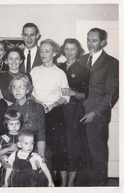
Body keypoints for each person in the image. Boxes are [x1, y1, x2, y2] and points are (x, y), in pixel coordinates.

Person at [78, 28, 119, 186]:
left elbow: (112, 93)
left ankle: (99, 187)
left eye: (94, 40)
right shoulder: (81, 60)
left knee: (97, 154)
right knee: (82, 153)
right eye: (88, 39)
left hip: (97, 117)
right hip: (80, 114)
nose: (90, 43)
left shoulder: (112, 62)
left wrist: (95, 112)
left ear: (103, 42)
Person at [31, 39, 70, 186]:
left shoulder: (60, 73)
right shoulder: (34, 71)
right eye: (41, 51)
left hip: (54, 114)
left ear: (54, 53)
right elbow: (30, 93)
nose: (43, 54)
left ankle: (59, 185)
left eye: (47, 51)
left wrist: (52, 105)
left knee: (57, 149)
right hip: (37, 111)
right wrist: (39, 103)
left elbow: (66, 96)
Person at [58, 38, 92, 186]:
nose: (69, 52)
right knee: (61, 146)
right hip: (59, 110)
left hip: (74, 111)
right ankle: (63, 181)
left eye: (72, 49)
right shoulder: (57, 67)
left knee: (74, 147)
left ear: (78, 50)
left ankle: (71, 183)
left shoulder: (83, 70)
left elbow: (84, 95)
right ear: (63, 50)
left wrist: (72, 92)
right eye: (67, 49)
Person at [6, 73, 50, 187]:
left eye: (21, 87)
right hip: (15, 148)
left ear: (27, 90)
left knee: (40, 173)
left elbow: (41, 133)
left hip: (35, 147)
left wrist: (41, 155)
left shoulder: (37, 107)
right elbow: (6, 135)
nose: (18, 90)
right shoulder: (9, 109)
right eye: (15, 87)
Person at [0, 110, 22, 186]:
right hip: (7, 165)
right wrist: (8, 149)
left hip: (20, 165)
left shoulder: (23, 136)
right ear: (6, 124)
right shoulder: (3, 137)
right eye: (11, 124)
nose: (14, 126)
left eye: (17, 124)